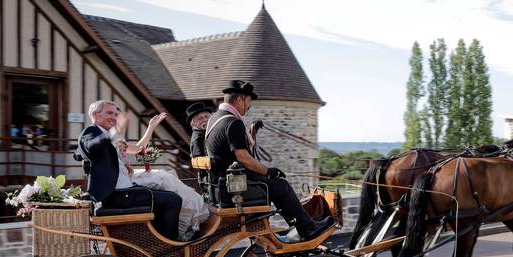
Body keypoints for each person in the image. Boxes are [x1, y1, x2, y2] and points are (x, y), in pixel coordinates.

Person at [205, 80, 332, 242]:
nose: (248, 107)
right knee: (282, 185)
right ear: (239, 100)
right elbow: (243, 158)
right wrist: (268, 171)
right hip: (235, 187)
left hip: (221, 187)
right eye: (248, 102)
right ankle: (308, 229)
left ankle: (298, 226)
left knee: (274, 183)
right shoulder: (233, 122)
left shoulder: (214, 119)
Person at [77, 101, 183, 240]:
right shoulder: (91, 132)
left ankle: (156, 241)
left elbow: (138, 149)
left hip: (124, 191)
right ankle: (169, 244)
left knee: (165, 194)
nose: (114, 117)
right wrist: (113, 133)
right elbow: (91, 148)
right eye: (110, 113)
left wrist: (150, 127)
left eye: (115, 114)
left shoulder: (109, 136)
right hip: (118, 194)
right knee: (174, 200)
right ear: (95, 115)